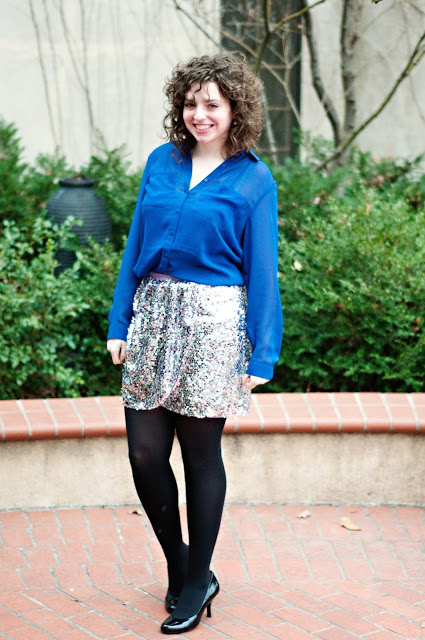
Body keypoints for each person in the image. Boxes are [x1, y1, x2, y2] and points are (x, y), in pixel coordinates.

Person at [107, 51, 283, 635]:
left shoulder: (254, 179)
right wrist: (118, 321)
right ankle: (184, 566)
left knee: (201, 456)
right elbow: (135, 247)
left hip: (214, 323)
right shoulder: (161, 161)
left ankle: (196, 576)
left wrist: (263, 352)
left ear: (236, 109)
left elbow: (263, 271)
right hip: (153, 317)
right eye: (191, 103)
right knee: (144, 453)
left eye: (212, 103)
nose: (200, 114)